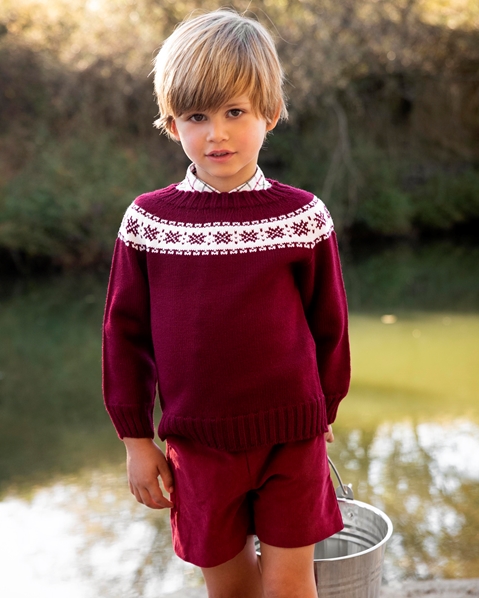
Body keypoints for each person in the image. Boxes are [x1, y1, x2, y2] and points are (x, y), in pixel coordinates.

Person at [102, 9, 350, 598]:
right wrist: (138, 441)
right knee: (231, 587)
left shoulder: (301, 216)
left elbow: (329, 324)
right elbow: (124, 334)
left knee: (290, 585)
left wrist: (327, 406)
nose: (217, 134)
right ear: (170, 123)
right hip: (200, 442)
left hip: (293, 435)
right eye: (197, 116)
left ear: (269, 113)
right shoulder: (149, 221)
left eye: (235, 112)